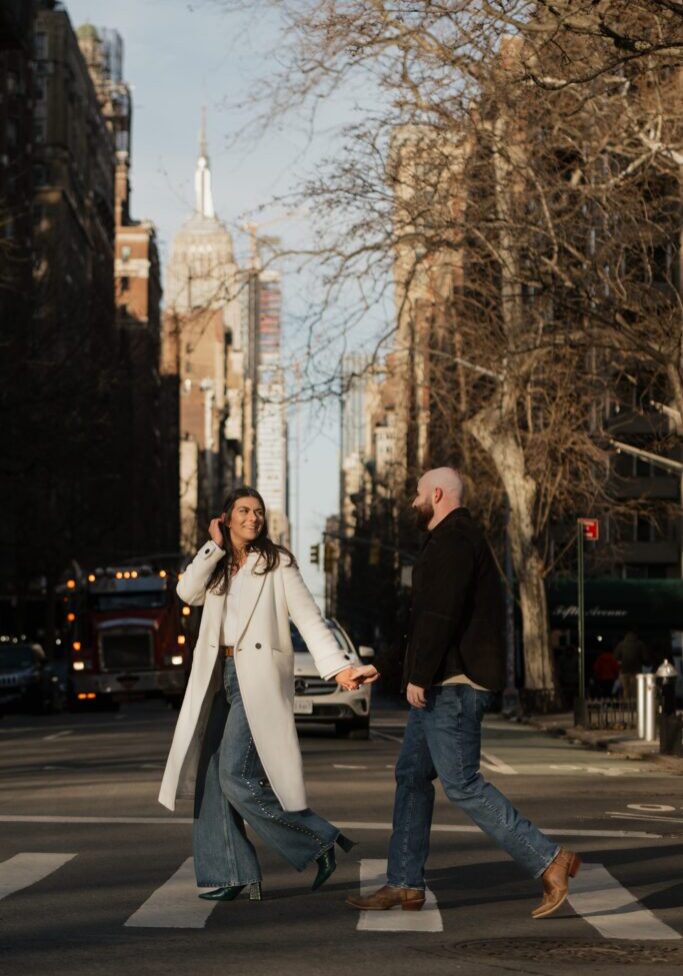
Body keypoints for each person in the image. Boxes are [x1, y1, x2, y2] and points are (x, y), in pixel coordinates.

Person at [346, 467, 580, 919]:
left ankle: (551, 859)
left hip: (452, 685)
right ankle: (405, 883)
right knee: (412, 775)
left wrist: (419, 674)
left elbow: (440, 616)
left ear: (436, 494)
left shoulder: (453, 539)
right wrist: (383, 666)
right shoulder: (450, 539)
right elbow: (420, 622)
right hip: (441, 682)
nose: (413, 503)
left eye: (417, 495)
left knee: (463, 783)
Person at [159, 487, 379, 902]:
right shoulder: (217, 564)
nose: (253, 518)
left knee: (235, 775)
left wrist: (339, 668)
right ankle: (232, 872)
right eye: (243, 511)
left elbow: (311, 621)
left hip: (254, 680)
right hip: (216, 676)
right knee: (211, 778)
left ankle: (318, 840)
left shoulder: (278, 564)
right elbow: (186, 593)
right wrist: (213, 546)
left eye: (258, 512)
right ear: (226, 518)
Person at [614, 631, 649, 702]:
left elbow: (615, 657)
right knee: (635, 690)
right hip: (636, 670)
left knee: (625, 689)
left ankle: (626, 706)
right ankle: (634, 707)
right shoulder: (640, 644)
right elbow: (646, 658)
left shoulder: (621, 644)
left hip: (624, 671)